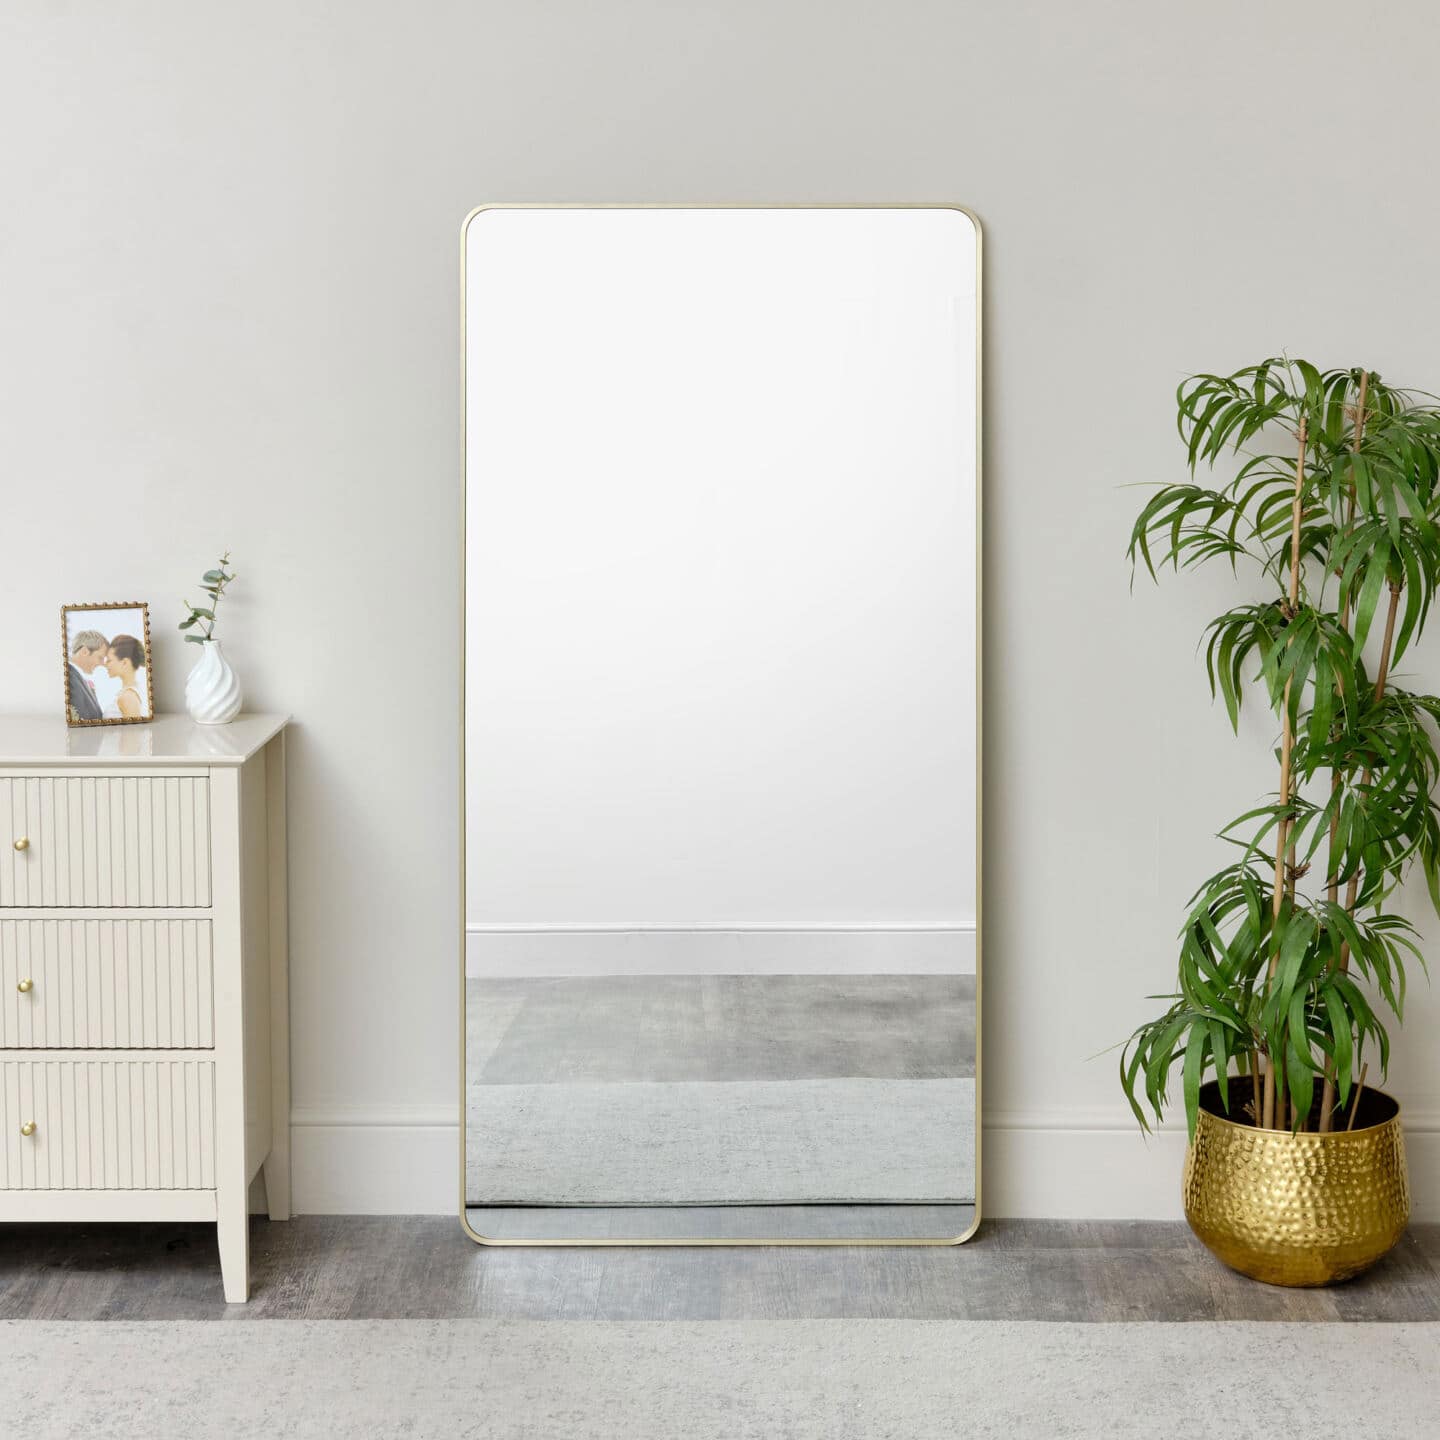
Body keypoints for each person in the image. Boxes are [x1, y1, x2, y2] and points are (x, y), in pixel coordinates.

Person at [103, 634, 149, 719]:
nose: (104, 664)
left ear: (124, 662)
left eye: (109, 660)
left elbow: (133, 731)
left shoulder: (128, 697)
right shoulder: (129, 693)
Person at [67, 629, 107, 722]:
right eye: (100, 657)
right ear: (85, 651)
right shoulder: (70, 679)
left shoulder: (77, 678)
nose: (102, 664)